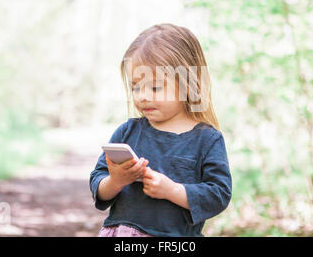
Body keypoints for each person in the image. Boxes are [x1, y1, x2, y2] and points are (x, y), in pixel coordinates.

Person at [90, 23, 232, 237]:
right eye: (136, 86)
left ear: (187, 84)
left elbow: (218, 194)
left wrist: (173, 191)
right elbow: (97, 181)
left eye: (155, 87)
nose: (142, 95)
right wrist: (116, 181)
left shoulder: (207, 139)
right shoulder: (127, 133)